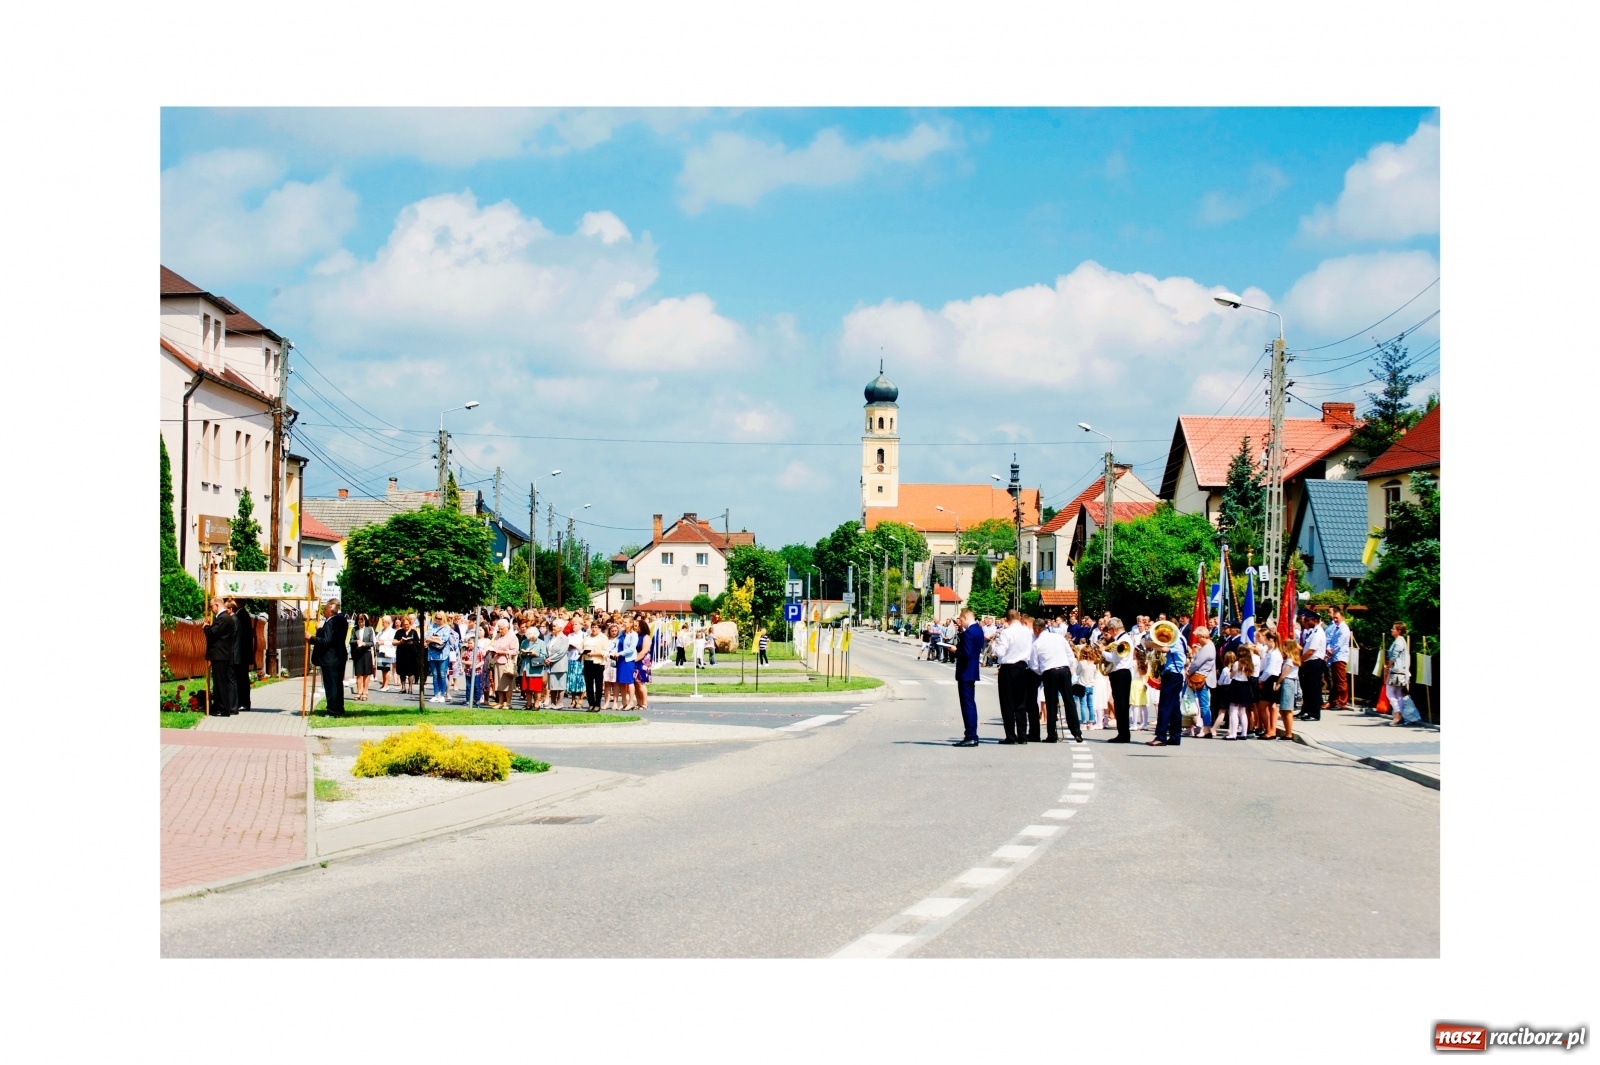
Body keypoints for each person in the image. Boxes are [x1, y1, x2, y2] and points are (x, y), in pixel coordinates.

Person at [1028, 614, 1080, 743]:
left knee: (1051, 703)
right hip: (1064, 669)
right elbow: (1070, 655)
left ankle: (1052, 734)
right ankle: (1076, 732)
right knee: (1069, 701)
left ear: (1036, 629)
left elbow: (1034, 665)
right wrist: (1069, 667)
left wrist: (1042, 672)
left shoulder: (1036, 643)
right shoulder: (1059, 637)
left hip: (1049, 672)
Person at [991, 609, 1034, 745]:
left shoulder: (1006, 632)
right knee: (1021, 703)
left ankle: (1011, 736)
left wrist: (993, 646)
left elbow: (1000, 652)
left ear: (1007, 619)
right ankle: (1023, 735)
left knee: (1007, 702)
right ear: (1019, 617)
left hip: (1008, 667)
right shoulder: (1027, 631)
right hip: (1023, 666)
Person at [1148, 632, 1189, 747]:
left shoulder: (1177, 639)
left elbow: (1164, 649)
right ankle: (1175, 737)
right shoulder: (1182, 638)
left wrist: (1151, 645)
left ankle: (1161, 737)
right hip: (1175, 675)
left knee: (1165, 706)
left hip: (1172, 675)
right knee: (1174, 707)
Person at [311, 599, 350, 716]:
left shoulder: (332, 621)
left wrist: (311, 638)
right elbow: (333, 637)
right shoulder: (342, 620)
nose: (324, 610)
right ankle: (339, 708)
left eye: (326, 608)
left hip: (330, 658)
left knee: (331, 685)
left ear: (332, 608)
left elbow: (327, 641)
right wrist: (320, 630)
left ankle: (332, 710)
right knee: (337, 684)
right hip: (339, 656)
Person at [951, 608, 984, 746]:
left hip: (966, 671)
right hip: (972, 670)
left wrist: (955, 651)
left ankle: (970, 735)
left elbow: (966, 653)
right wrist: (960, 632)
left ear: (965, 618)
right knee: (970, 703)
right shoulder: (978, 630)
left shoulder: (970, 632)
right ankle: (972, 734)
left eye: (961, 620)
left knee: (967, 704)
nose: (961, 623)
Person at [1102, 618, 1134, 743]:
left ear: (1114, 629)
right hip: (1122, 673)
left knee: (1121, 705)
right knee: (1121, 704)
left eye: (1110, 630)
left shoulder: (1122, 640)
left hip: (1121, 673)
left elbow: (1114, 658)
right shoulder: (1124, 638)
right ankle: (1123, 733)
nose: (1109, 632)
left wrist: (1102, 651)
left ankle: (1123, 734)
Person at [203, 597, 238, 716]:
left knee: (220, 682)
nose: (211, 609)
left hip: (220, 654)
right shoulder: (224, 618)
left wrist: (206, 626)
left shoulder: (223, 618)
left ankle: (224, 709)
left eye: (211, 606)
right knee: (220, 682)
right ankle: (222, 707)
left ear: (217, 605)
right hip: (221, 654)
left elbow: (213, 633)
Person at [1383, 621, 1416, 725]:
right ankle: (1399, 715)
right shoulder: (1401, 641)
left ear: (1399, 631)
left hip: (1396, 671)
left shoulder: (1399, 642)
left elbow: (1394, 656)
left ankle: (1398, 713)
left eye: (1393, 628)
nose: (1391, 630)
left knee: (1389, 692)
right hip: (1400, 670)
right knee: (1398, 693)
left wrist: (1388, 666)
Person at [1297, 612, 1328, 721]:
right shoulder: (1313, 631)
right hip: (1310, 663)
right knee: (1308, 688)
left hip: (1315, 663)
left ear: (1314, 620)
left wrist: (1300, 660)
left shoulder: (1318, 632)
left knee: (1313, 688)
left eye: (1308, 620)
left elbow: (1311, 651)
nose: (1306, 622)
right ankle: (1308, 710)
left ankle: (1314, 713)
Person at [1187, 626, 1217, 738]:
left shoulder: (1207, 648)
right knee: (1204, 704)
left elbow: (1197, 663)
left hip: (1202, 678)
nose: (1198, 640)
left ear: (1203, 636)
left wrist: (1188, 671)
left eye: (1198, 637)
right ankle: (1206, 728)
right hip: (1204, 677)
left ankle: (1206, 729)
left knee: (1204, 705)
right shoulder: (1208, 646)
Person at [229, 598, 256, 713]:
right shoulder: (242, 614)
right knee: (241, 678)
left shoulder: (242, 615)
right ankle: (242, 702)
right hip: (242, 653)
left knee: (242, 679)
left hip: (241, 653)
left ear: (239, 603)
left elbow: (242, 636)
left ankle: (243, 703)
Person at [424, 611, 453, 704]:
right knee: (435, 675)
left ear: (443, 618)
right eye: (436, 618)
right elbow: (426, 637)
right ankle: (436, 694)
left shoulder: (447, 627)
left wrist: (432, 638)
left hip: (442, 654)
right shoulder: (432, 626)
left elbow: (443, 639)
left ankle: (442, 694)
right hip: (432, 654)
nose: (437, 620)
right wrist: (436, 639)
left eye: (439, 618)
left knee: (442, 674)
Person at [1328, 607, 1353, 709]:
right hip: (1334, 657)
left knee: (1341, 680)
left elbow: (1339, 643)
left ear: (1342, 617)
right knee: (1336, 680)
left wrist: (1331, 651)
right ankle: (1336, 700)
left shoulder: (1344, 628)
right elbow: (1331, 640)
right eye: (1334, 618)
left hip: (1340, 656)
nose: (1335, 620)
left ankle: (1342, 701)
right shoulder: (1336, 628)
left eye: (1336, 618)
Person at [490, 619, 519, 709]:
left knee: (507, 685)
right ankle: (500, 702)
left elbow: (515, 651)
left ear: (507, 627)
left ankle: (508, 703)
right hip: (497, 662)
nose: (500, 630)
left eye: (502, 629)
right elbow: (493, 646)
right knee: (498, 684)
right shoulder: (497, 636)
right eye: (499, 629)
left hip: (506, 663)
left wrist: (503, 652)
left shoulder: (512, 637)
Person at [349, 612, 375, 701]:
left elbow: (372, 643)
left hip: (366, 653)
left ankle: (365, 692)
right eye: (359, 621)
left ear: (365, 621)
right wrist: (356, 641)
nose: (360, 623)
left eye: (362, 621)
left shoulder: (369, 629)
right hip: (358, 653)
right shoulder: (354, 629)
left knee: (366, 673)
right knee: (359, 673)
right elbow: (351, 641)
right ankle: (359, 691)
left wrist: (364, 643)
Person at [519, 621, 546, 710]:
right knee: (527, 688)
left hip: (536, 668)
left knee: (536, 688)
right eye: (530, 637)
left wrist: (536, 654)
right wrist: (523, 654)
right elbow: (520, 655)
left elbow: (544, 655)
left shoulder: (541, 643)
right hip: (526, 667)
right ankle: (528, 703)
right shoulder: (524, 642)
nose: (531, 639)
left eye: (533, 637)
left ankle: (537, 704)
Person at [1277, 641, 1301, 740]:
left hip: (1287, 682)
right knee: (1283, 709)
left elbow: (1284, 674)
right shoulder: (1290, 659)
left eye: (1285, 646)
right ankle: (1287, 731)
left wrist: (1278, 683)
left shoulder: (1290, 660)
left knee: (1286, 709)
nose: (1283, 647)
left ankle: (1289, 733)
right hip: (1289, 682)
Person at [632, 617, 653, 710]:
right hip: (635, 660)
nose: (634, 627)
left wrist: (634, 660)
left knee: (640, 682)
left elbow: (644, 651)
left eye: (636, 626)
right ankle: (639, 702)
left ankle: (644, 703)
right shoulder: (635, 636)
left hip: (642, 661)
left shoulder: (646, 637)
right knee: (635, 683)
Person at [375, 615, 396, 692]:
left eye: (383, 622)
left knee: (386, 669)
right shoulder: (382, 630)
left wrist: (383, 642)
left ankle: (386, 685)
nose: (382, 623)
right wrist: (377, 641)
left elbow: (392, 642)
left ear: (388, 622)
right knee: (382, 669)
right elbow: (377, 637)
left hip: (387, 651)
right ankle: (383, 684)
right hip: (381, 650)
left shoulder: (391, 631)